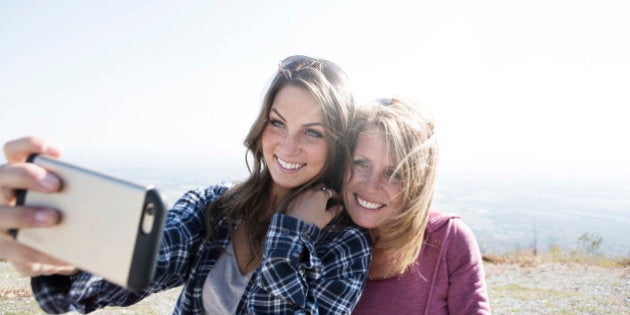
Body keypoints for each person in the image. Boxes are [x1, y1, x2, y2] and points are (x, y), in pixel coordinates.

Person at [0, 55, 372, 314]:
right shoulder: (218, 205)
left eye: (312, 132)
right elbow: (149, 261)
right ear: (262, 126)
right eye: (277, 123)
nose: (287, 146)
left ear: (337, 144)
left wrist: (289, 237)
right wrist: (63, 245)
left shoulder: (345, 244)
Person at [343, 98, 490, 314]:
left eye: (393, 173)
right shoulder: (319, 237)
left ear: (418, 182)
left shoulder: (449, 241)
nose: (371, 186)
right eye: (362, 163)